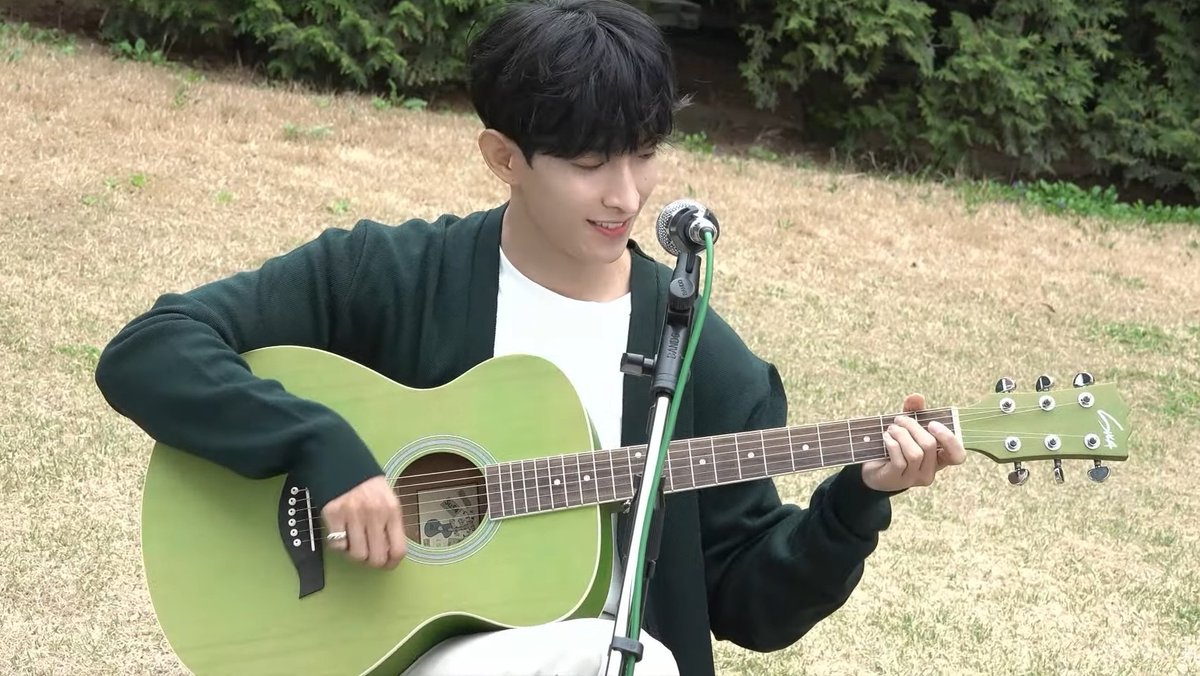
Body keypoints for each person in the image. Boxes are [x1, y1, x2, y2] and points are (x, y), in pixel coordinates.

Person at [94, 1, 966, 674]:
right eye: (589, 164)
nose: (626, 195)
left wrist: (856, 502)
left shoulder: (703, 356)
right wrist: (319, 447)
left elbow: (749, 607)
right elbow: (152, 348)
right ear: (503, 157)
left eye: (644, 153)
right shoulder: (395, 274)